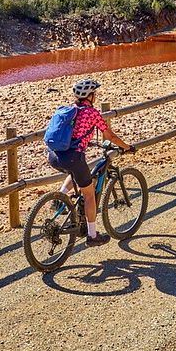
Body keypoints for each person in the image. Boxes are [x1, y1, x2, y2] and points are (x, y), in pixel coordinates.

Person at [48, 78, 135, 247]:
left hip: (55, 155)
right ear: (90, 96)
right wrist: (127, 147)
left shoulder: (70, 110)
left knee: (77, 172)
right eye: (94, 93)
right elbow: (110, 136)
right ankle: (92, 235)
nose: (96, 96)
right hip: (73, 157)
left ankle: (60, 198)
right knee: (89, 195)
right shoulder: (92, 113)